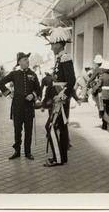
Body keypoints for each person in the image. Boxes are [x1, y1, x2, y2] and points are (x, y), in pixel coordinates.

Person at [39, 26, 76, 166]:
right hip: (58, 99)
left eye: (53, 45)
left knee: (51, 127)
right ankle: (62, 157)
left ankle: (57, 158)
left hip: (61, 100)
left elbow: (71, 81)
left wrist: (61, 96)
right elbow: (56, 82)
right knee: (61, 127)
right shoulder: (60, 59)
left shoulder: (65, 58)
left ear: (59, 45)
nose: (51, 48)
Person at [0, 52, 42, 160]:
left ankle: (28, 152)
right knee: (17, 130)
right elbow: (0, 83)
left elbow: (39, 89)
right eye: (24, 59)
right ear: (19, 62)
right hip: (17, 106)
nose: (27, 61)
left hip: (29, 107)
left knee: (28, 130)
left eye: (27, 59)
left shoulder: (33, 74)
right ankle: (17, 152)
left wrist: (33, 95)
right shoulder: (14, 74)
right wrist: (8, 93)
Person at [91, 61, 109, 132]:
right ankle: (104, 125)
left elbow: (98, 85)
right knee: (107, 110)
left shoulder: (102, 77)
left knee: (102, 110)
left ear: (104, 69)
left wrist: (93, 90)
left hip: (102, 95)